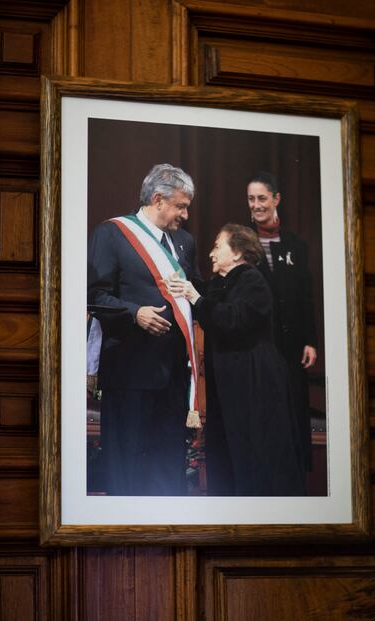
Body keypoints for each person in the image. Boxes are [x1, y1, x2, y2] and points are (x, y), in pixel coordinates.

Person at [87, 163, 201, 496]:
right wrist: (135, 313)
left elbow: (193, 293)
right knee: (127, 467)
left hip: (173, 376)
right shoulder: (112, 234)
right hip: (129, 373)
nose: (185, 214)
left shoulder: (185, 243)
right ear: (158, 199)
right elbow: (94, 295)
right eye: (181, 206)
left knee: (168, 468)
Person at [167, 224, 305, 496]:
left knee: (254, 449)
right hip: (231, 381)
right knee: (228, 450)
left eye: (218, 246)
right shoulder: (222, 282)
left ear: (239, 252)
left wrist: (195, 296)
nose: (211, 253)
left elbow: (232, 319)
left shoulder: (252, 279)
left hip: (255, 381)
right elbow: (210, 302)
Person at [247, 171, 317, 472]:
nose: (256, 205)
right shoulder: (241, 241)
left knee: (293, 410)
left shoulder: (296, 245)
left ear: (276, 199)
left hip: (291, 345)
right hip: (258, 344)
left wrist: (310, 340)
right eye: (251, 199)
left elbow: (306, 297)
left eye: (262, 198)